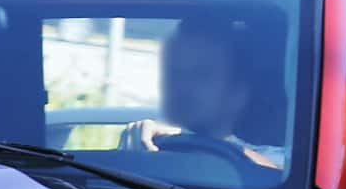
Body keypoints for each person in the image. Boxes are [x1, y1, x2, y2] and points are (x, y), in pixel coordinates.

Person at [120, 18, 285, 174]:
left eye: (202, 74)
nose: (182, 85)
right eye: (175, 73)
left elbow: (277, 175)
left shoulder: (278, 161)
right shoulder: (152, 145)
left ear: (237, 92)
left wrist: (203, 143)